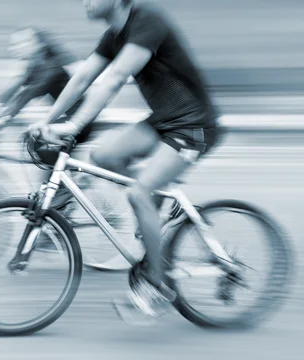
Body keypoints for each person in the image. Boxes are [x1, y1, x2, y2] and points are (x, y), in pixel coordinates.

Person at [30, 0, 222, 324]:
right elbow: (80, 80)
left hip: (193, 125)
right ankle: (159, 200)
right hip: (163, 121)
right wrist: (47, 121)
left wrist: (74, 126)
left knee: (137, 194)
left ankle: (157, 286)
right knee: (104, 157)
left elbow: (116, 76)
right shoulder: (113, 35)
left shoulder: (148, 21)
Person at [0, 26, 96, 209]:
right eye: (14, 44)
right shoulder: (35, 65)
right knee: (41, 156)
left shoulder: (52, 65)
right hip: (66, 120)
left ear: (38, 45)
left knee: (35, 140)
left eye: (22, 43)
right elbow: (15, 88)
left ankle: (66, 187)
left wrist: (4, 118)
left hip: (80, 122)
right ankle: (58, 201)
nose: (15, 48)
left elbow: (32, 91)